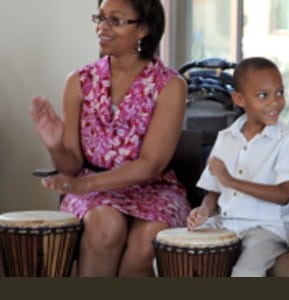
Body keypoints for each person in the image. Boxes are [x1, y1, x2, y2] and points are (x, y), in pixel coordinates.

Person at [29, 0, 189, 276]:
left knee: (149, 238)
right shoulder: (78, 81)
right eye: (100, 18)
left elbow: (150, 165)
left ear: (143, 30)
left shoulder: (171, 85)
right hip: (92, 189)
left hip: (152, 186)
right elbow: (71, 166)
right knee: (105, 226)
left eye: (115, 20)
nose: (102, 27)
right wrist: (56, 145)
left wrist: (83, 184)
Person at [186, 57, 289, 277]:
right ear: (239, 99)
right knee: (181, 258)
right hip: (226, 224)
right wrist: (204, 209)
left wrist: (231, 181)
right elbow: (213, 190)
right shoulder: (225, 138)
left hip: (268, 228)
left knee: (245, 273)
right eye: (263, 95)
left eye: (279, 92)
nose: (275, 102)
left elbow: (284, 195)